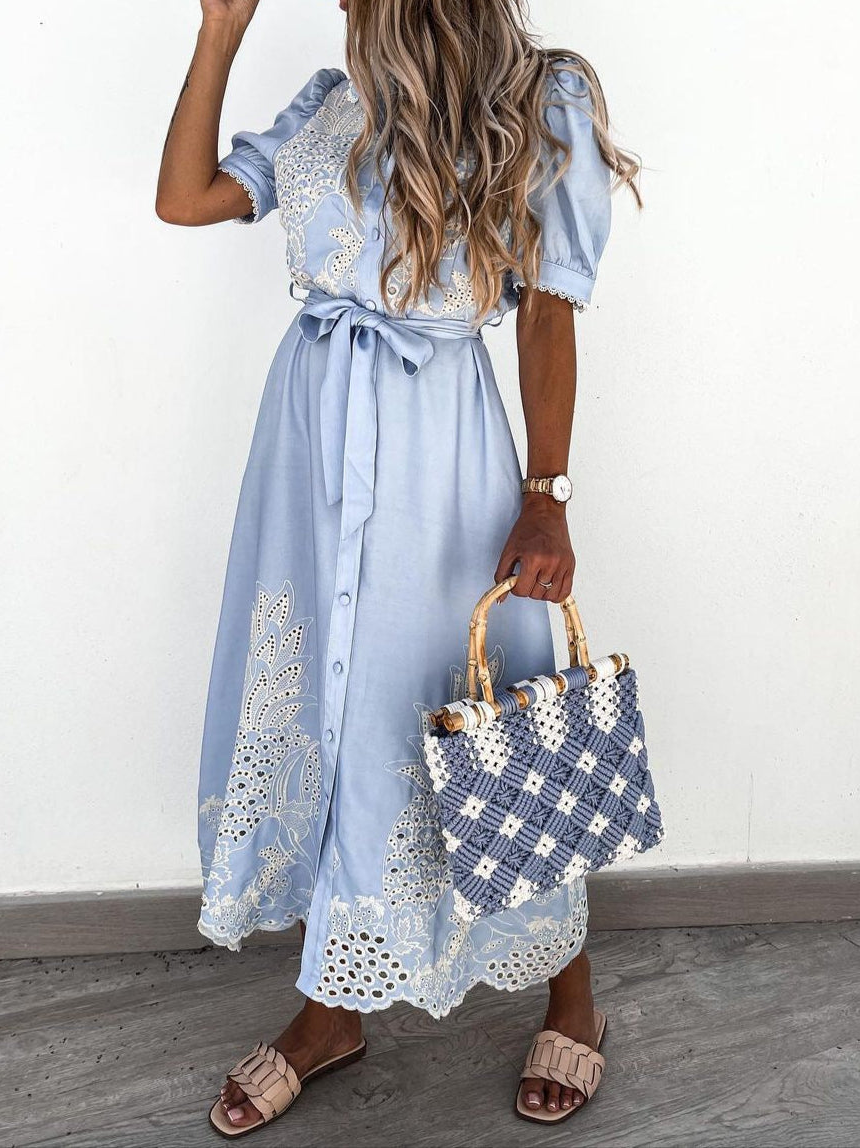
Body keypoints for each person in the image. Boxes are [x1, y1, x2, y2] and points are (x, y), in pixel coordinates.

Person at [156, 0, 641, 1135]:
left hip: (439, 458)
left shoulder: (542, 101)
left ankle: (572, 995)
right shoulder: (332, 109)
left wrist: (547, 496)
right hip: (309, 456)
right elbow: (184, 199)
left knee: (484, 718)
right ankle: (332, 1008)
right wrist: (218, 30)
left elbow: (548, 316)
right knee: (334, 719)